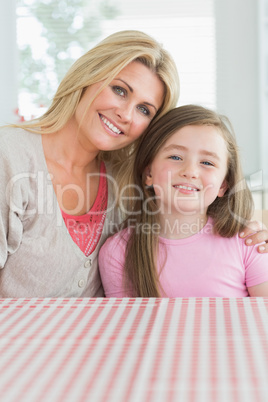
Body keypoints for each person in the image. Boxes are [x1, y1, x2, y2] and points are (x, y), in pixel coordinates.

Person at [0, 30, 180, 297]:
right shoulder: (10, 155)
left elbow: (189, 229)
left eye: (144, 110)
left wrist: (248, 236)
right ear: (88, 77)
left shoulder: (126, 182)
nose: (126, 114)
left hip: (93, 339)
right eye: (120, 90)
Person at [99, 105, 268, 297]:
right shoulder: (117, 251)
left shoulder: (248, 241)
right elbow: (126, 324)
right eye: (175, 157)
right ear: (148, 173)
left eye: (207, 163)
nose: (190, 171)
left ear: (223, 185)